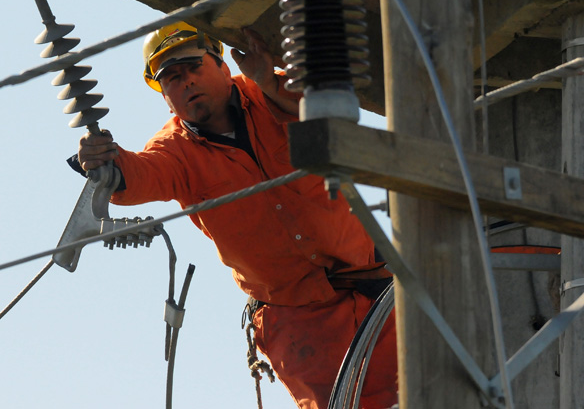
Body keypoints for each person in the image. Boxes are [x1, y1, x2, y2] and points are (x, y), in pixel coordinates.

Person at [75, 21, 397, 409]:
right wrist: (107, 165)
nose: (187, 81)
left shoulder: (269, 96)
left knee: (443, 386)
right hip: (300, 323)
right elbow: (140, 175)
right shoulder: (175, 151)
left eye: (194, 67)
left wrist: (268, 81)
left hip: (375, 285)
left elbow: (330, 110)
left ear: (223, 66)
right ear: (165, 96)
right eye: (172, 78)